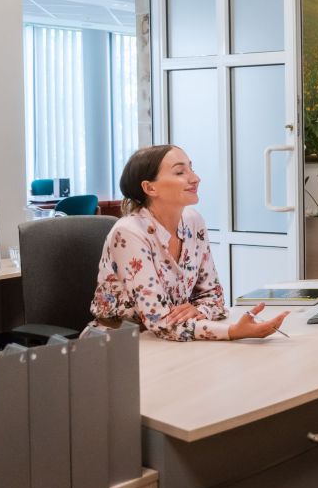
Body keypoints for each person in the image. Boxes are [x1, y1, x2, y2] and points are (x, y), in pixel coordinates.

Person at [91, 144, 289, 341]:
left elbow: (215, 298)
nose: (195, 178)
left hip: (173, 338)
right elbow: (159, 320)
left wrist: (199, 310)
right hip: (120, 343)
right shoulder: (128, 232)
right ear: (150, 187)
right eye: (179, 172)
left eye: (191, 169)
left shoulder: (193, 221)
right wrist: (233, 332)